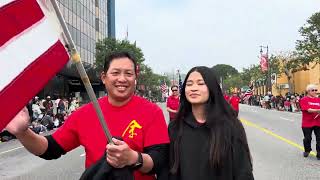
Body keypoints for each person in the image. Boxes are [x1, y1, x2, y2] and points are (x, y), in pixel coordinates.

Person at [6, 52, 170, 179]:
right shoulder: (84, 113)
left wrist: (133, 158)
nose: (122, 79)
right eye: (116, 73)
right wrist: (22, 132)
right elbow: (50, 148)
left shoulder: (151, 112)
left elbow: (159, 161)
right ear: (104, 78)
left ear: (135, 78)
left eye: (128, 73)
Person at [168, 66, 253, 180]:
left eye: (200, 83)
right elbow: (169, 170)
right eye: (189, 84)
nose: (194, 88)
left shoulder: (231, 126)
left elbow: (243, 172)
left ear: (211, 87)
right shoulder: (175, 127)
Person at [299, 84, 320, 160]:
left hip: (318, 122)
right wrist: (318, 110)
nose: (315, 92)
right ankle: (307, 150)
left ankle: (319, 154)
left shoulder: (318, 99)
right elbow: (308, 109)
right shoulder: (304, 99)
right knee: (307, 138)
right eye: (313, 90)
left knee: (319, 139)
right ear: (308, 91)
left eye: (316, 90)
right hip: (307, 123)